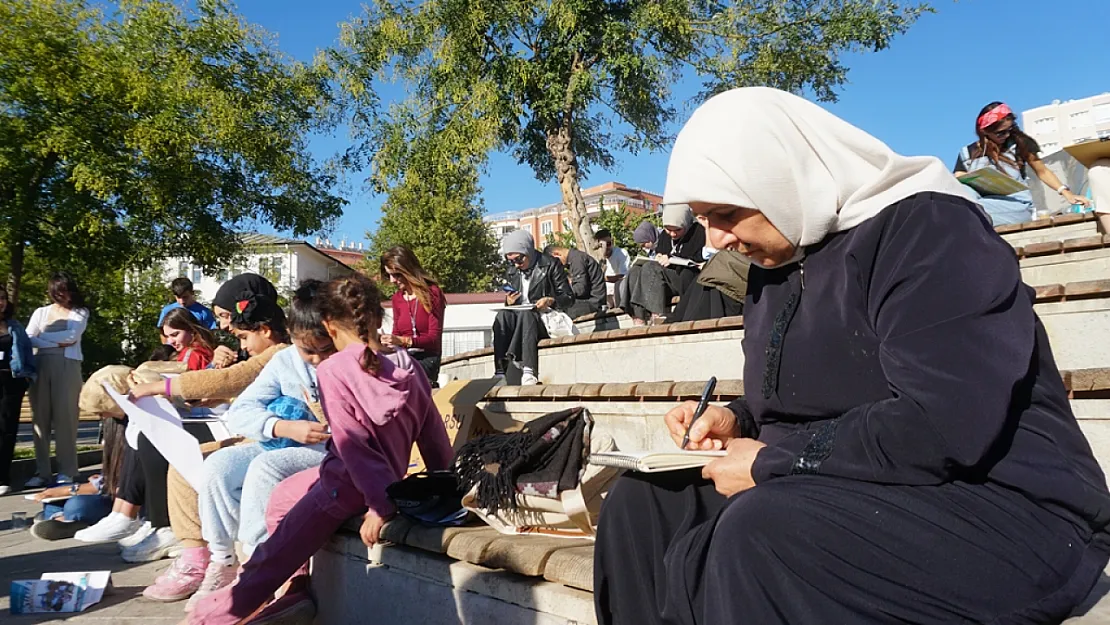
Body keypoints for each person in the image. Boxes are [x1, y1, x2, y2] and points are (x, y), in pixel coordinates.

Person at [594, 87, 1110, 625]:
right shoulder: (777, 264)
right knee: (641, 503)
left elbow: (943, 421)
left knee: (762, 529)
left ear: (782, 180)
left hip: (1001, 504)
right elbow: (818, 393)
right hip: (848, 478)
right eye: (703, 218)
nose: (717, 238)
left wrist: (772, 461)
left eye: (726, 213)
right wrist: (737, 419)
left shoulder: (929, 229)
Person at [188, 274, 453, 625]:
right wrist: (446, 484)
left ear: (328, 325)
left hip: (344, 487)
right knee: (282, 495)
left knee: (275, 553)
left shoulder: (334, 371)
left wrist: (380, 507)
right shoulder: (411, 367)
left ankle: (219, 615)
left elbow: (353, 447)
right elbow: (433, 434)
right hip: (383, 480)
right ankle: (297, 589)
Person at [143, 282, 332, 609]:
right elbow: (243, 404)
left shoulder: (299, 353)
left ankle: (260, 567)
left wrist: (162, 385)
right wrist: (278, 425)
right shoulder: (287, 358)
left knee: (263, 468)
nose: (232, 334)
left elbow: (225, 383)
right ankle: (222, 558)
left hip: (320, 451)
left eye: (242, 334)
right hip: (277, 441)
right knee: (215, 465)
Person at [954, 101, 1091, 225]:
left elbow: (1042, 171)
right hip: (982, 202)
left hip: (1015, 205)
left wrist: (1067, 194)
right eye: (1000, 133)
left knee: (968, 211)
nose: (1007, 135)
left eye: (1010, 129)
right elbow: (958, 177)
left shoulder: (1018, 144)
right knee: (965, 195)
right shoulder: (967, 153)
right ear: (984, 131)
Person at [25, 272, 89, 488]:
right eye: (58, 291)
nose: (63, 295)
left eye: (66, 290)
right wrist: (54, 342)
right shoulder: (41, 312)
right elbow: (27, 338)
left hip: (67, 367)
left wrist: (42, 339)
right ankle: (42, 471)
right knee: (40, 420)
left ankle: (68, 470)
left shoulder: (80, 312)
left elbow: (71, 338)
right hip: (40, 366)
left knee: (66, 419)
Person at [493, 230, 574, 385]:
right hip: (520, 321)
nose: (516, 264)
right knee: (502, 315)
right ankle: (500, 372)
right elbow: (513, 303)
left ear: (528, 251)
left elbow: (568, 297)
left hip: (543, 319)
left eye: (519, 259)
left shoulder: (550, 264)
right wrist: (509, 302)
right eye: (511, 261)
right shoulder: (512, 271)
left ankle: (529, 370)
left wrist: (550, 301)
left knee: (527, 314)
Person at [29, 415, 127, 540]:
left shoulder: (129, 439)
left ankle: (61, 518)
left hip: (121, 502)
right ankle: (66, 519)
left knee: (76, 504)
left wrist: (71, 489)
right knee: (54, 489)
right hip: (108, 491)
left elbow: (115, 485)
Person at [625, 205, 706, 325]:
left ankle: (657, 313)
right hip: (665, 278)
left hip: (687, 277)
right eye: (669, 229)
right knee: (635, 270)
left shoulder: (699, 232)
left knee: (650, 268)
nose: (673, 234)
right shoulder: (664, 235)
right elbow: (661, 251)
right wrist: (659, 256)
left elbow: (698, 257)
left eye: (678, 230)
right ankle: (638, 317)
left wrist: (671, 259)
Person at [379, 246, 447, 386]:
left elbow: (434, 339)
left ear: (408, 270)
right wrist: (387, 341)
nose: (392, 280)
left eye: (396, 275)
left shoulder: (432, 293)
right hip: (403, 357)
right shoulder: (397, 298)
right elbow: (397, 332)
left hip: (427, 358)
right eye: (389, 275)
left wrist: (403, 341)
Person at [0, 285, 35, 495]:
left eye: (3, 298)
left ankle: (3, 477)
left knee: (6, 429)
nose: (0, 302)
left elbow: (27, 353)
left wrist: (28, 377)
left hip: (10, 380)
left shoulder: (14, 327)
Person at [209, 273, 280, 369]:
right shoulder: (242, 352)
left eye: (225, 315)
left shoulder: (290, 357)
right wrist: (215, 364)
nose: (222, 326)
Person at [543, 243, 607, 319]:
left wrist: (560, 296)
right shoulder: (575, 258)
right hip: (590, 301)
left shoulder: (577, 259)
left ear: (557, 254)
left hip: (593, 303)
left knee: (558, 309)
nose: (558, 267)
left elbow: (580, 289)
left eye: (556, 263)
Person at [596, 229, 628, 309]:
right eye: (602, 245)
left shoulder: (621, 253)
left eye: (609, 243)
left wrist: (604, 278)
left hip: (617, 291)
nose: (606, 247)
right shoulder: (594, 256)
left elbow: (623, 276)